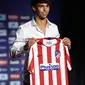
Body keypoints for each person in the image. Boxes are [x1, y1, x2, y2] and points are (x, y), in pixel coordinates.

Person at [10, 0, 71, 85]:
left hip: (53, 78)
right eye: (41, 6)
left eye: (47, 6)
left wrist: (66, 45)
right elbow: (12, 53)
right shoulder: (24, 29)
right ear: (34, 8)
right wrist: (25, 46)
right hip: (32, 80)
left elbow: (57, 52)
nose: (45, 9)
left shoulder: (54, 28)